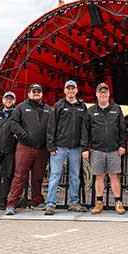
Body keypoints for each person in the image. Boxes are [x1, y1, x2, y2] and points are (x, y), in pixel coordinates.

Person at [5, 84, 53, 215]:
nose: (36, 93)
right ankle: (12, 203)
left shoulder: (49, 109)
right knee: (20, 176)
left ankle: (36, 201)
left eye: (38, 91)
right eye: (34, 91)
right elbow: (13, 123)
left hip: (42, 149)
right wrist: (24, 136)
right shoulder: (20, 107)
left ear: (42, 93)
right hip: (25, 146)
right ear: (29, 93)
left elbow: (52, 127)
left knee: (38, 177)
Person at [82, 83, 127, 215]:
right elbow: (85, 131)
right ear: (96, 94)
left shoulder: (117, 109)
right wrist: (85, 148)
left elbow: (123, 130)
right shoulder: (90, 111)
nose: (103, 94)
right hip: (97, 149)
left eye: (105, 92)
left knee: (114, 176)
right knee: (99, 176)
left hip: (114, 149)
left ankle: (118, 202)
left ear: (108, 94)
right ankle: (99, 202)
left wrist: (123, 145)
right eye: (100, 92)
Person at [46, 80, 88, 214]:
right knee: (55, 175)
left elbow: (85, 128)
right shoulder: (58, 105)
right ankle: (50, 204)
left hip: (76, 147)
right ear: (64, 90)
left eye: (73, 88)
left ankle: (74, 202)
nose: (70, 91)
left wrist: (84, 146)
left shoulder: (82, 106)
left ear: (76, 90)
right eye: (68, 89)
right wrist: (51, 146)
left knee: (75, 176)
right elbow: (51, 126)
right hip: (59, 146)